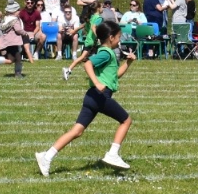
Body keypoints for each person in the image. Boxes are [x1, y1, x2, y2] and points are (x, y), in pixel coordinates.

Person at [36, 19, 135, 175]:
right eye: (118, 37)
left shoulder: (106, 53)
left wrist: (128, 63)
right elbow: (87, 63)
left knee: (77, 131)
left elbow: (115, 75)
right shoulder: (106, 53)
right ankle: (112, 154)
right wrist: (97, 83)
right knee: (126, 120)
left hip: (92, 97)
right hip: (99, 96)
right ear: (111, 37)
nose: (120, 40)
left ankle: (46, 157)